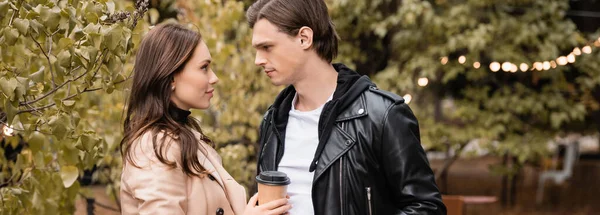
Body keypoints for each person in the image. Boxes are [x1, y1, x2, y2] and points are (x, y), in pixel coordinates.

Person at [246, 0, 447, 214]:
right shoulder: (273, 121)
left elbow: (427, 208)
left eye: (267, 47)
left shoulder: (382, 115)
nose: (258, 60)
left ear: (304, 38)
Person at [119, 23, 291, 215]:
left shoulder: (184, 136)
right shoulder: (154, 148)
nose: (214, 78)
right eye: (204, 68)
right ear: (171, 78)